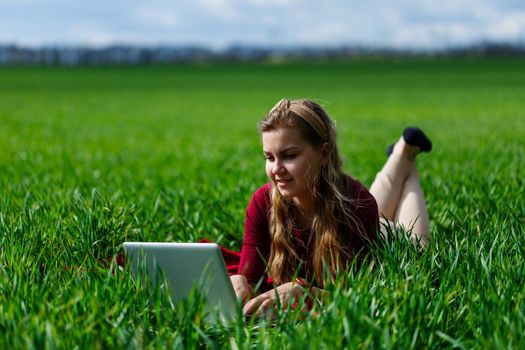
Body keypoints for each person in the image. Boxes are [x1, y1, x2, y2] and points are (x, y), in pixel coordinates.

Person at [230, 98, 432, 318]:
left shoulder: (358, 203)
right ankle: (402, 152)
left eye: (289, 156)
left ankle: (406, 157)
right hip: (354, 213)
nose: (276, 169)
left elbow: (364, 295)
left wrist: (308, 293)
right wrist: (239, 281)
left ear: (323, 153)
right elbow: (250, 278)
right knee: (365, 199)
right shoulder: (262, 202)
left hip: (383, 236)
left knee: (417, 245)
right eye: (269, 157)